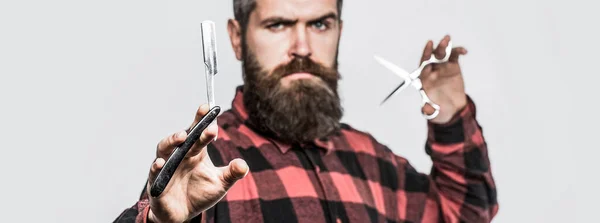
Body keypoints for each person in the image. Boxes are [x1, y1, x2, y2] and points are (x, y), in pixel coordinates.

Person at [113, 0, 498, 222]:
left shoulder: (372, 160)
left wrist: (449, 113)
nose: (302, 46)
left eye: (319, 23)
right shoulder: (206, 167)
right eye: (278, 24)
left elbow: (465, 215)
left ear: (338, 32)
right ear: (236, 38)